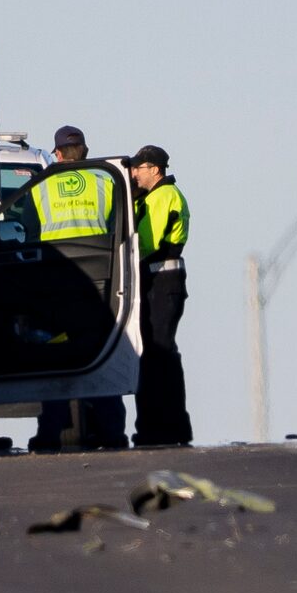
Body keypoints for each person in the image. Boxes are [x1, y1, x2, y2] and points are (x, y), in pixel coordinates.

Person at [29, 126, 126, 451]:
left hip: (58, 281)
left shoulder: (42, 184)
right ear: (84, 151)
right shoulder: (105, 180)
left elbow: (26, 227)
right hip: (100, 281)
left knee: (58, 355)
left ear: (57, 153)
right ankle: (112, 432)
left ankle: (50, 433)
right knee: (102, 354)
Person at [127, 145, 192, 447]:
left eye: (138, 168)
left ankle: (161, 427)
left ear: (154, 169)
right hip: (164, 281)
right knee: (160, 353)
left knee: (157, 353)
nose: (134, 173)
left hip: (161, 280)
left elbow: (146, 243)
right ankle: (169, 425)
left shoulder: (162, 197)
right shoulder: (156, 196)